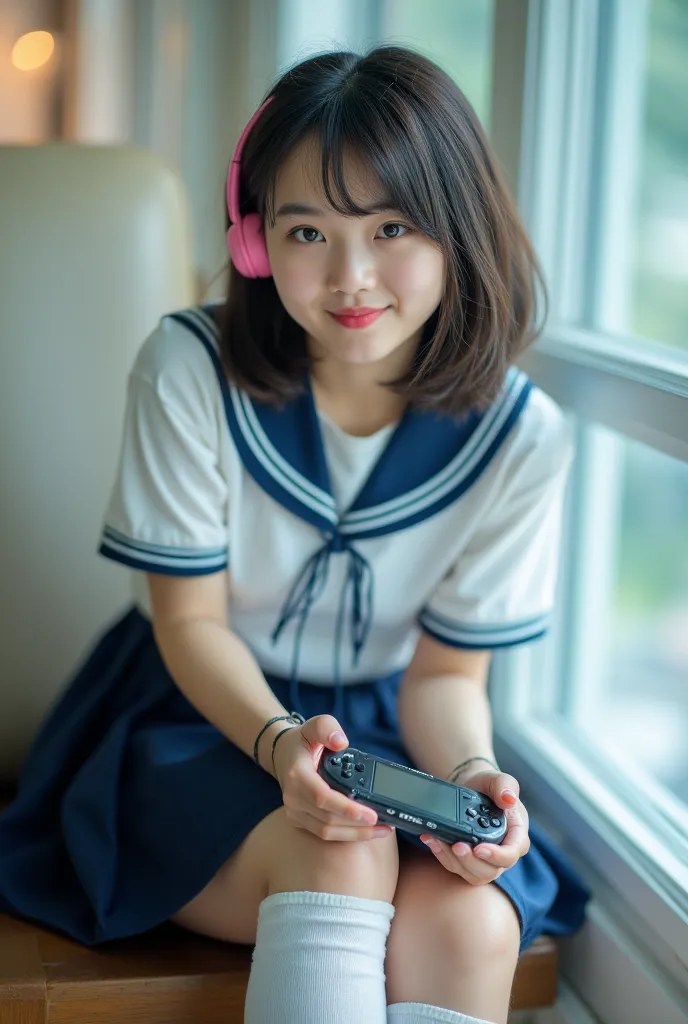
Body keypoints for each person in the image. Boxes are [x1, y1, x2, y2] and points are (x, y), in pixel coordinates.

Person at [0, 45, 589, 1024]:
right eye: (306, 229)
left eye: (392, 226)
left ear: (458, 231)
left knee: (473, 925)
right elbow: (187, 624)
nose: (350, 275)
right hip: (196, 712)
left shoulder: (522, 435)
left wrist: (473, 779)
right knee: (342, 847)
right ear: (254, 242)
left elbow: (446, 678)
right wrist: (281, 747)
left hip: (395, 733)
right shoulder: (187, 367)